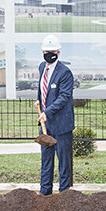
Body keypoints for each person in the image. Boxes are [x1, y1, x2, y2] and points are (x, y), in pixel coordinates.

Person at [34, 35, 75, 195]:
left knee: (64, 161)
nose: (49, 54)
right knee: (46, 159)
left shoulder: (65, 73)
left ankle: (64, 194)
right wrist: (40, 104)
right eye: (46, 51)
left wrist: (47, 111)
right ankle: (45, 193)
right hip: (46, 124)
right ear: (43, 51)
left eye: (53, 51)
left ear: (58, 52)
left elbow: (64, 97)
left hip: (62, 124)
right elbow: (44, 90)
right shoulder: (41, 67)